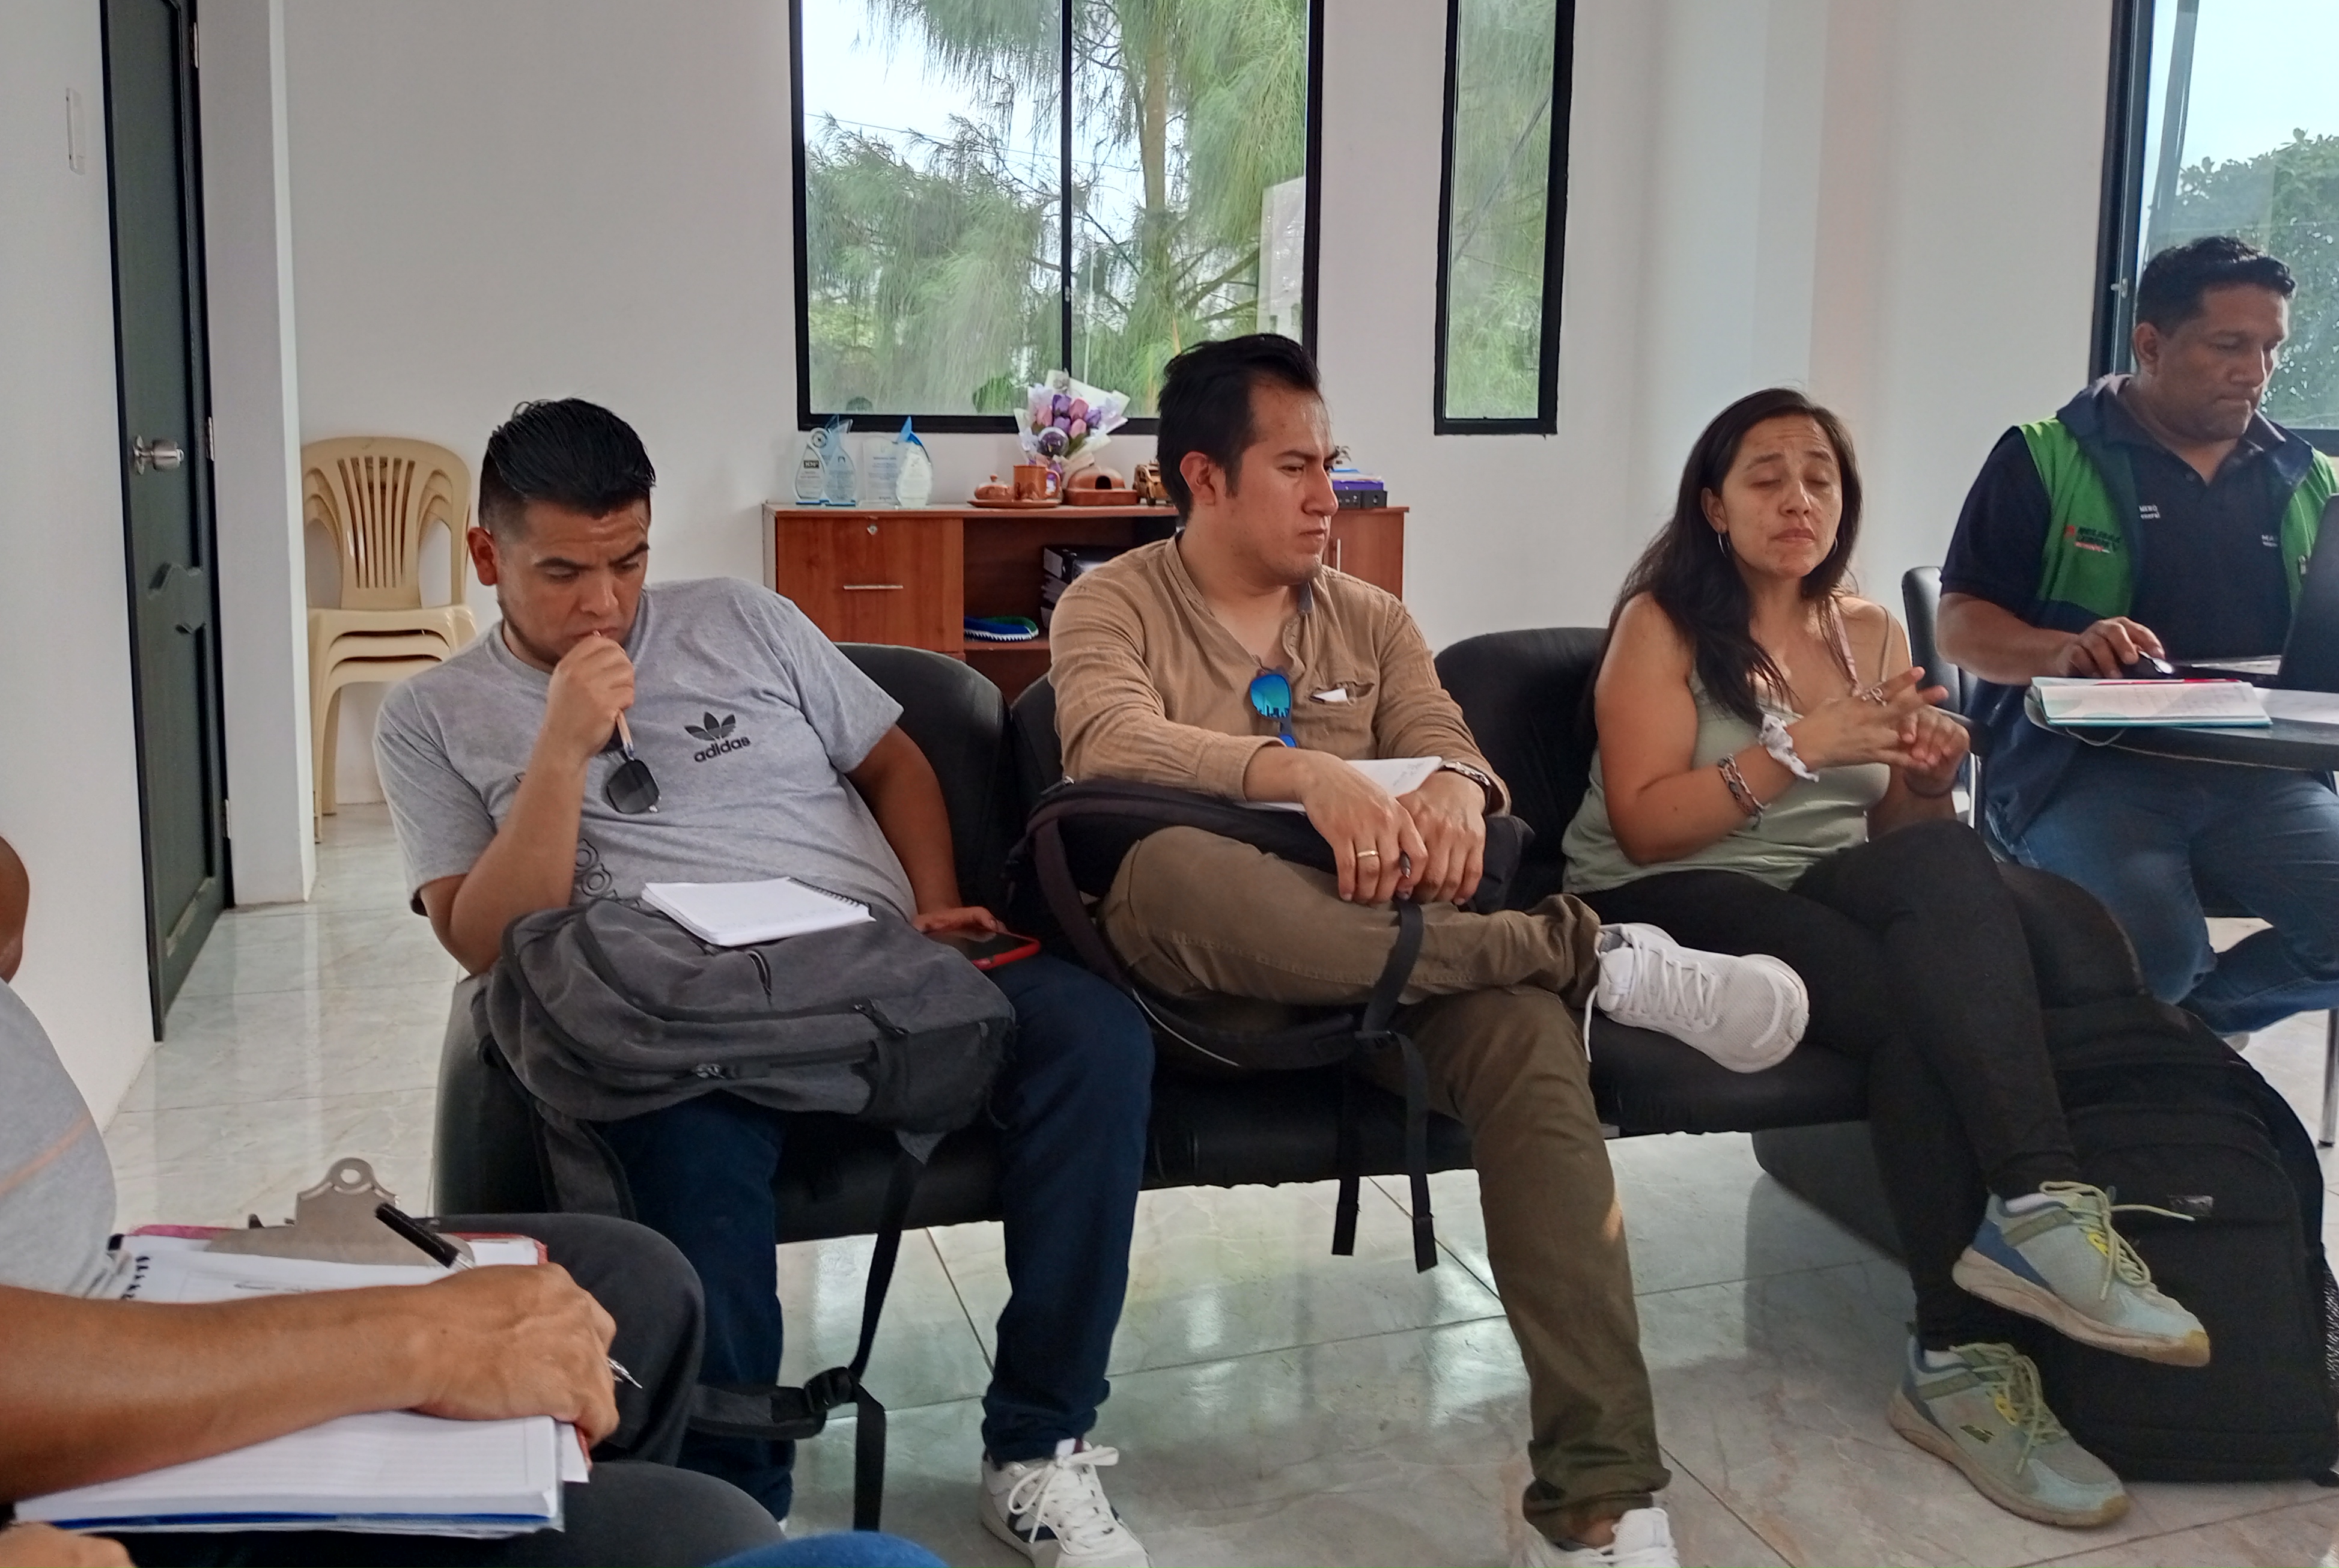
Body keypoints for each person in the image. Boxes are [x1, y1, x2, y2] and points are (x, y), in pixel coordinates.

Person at [1049, 335, 1811, 1568]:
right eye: (1295, 467)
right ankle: (1585, 953)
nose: (1328, 494)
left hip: (1402, 967)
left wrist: (1457, 788)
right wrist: (1301, 774)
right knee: (1180, 865)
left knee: (1527, 1046)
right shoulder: (1110, 603)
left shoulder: (1372, 618)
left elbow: (1453, 745)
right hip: (1210, 973)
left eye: (1332, 463)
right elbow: (1106, 743)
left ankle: (1602, 1499)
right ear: (1203, 476)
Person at [374, 401, 1156, 1567]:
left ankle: (1040, 1444)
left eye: (628, 562)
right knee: (681, 1145)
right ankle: (744, 1514)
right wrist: (560, 749)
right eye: (564, 573)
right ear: (488, 557)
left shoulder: (741, 618)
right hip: (680, 1011)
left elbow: (895, 762)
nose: (605, 604)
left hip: (873, 964)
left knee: (1095, 1038)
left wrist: (934, 901)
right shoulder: (429, 717)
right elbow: (486, 943)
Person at [1560, 387, 2212, 1531]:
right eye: (1767, 478)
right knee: (1917, 1012)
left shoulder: (1866, 632)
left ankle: (2034, 1215)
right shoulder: (1661, 625)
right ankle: (1967, 1348)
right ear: (1714, 505)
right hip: (1667, 892)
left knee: (1963, 868)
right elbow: (1649, 825)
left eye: (1820, 479)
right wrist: (1796, 747)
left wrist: (1925, 779)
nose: (1798, 500)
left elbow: (1896, 836)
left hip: (1815, 887)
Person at [0, 828, 841, 1568]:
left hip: (91, 1294)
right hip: (46, 1471)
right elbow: (487, 936)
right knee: (695, 1531)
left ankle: (557, 1492)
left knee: (638, 1279)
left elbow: (7, 929)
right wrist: (418, 1341)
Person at [1938, 236, 2339, 1036]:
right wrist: (2061, 651)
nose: (2255, 371)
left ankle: (2179, 1042)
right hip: (2082, 769)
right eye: (2229, 345)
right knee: (2157, 958)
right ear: (2150, 343)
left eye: (2270, 347)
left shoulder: (2304, 476)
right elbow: (1961, 624)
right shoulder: (2043, 457)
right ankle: (2154, 1035)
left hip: (2259, 774)